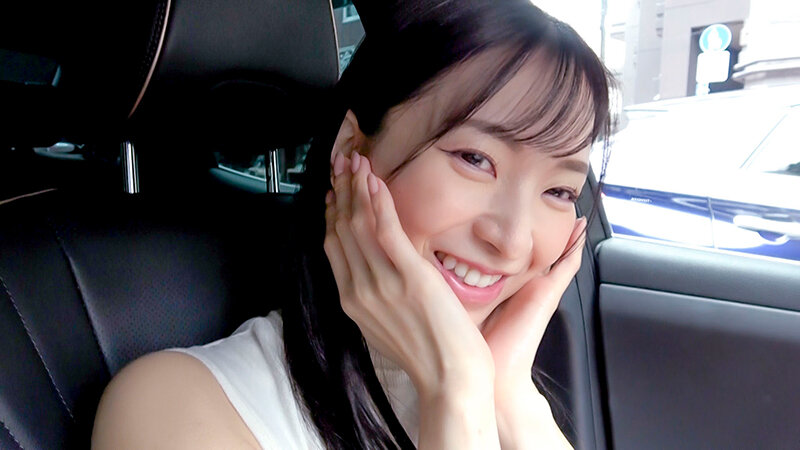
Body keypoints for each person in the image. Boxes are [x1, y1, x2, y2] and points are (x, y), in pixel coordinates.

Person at [92, 0, 613, 448]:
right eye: (475, 159)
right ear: (351, 147)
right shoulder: (172, 407)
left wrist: (509, 398)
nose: (512, 241)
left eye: (559, 191)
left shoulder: (508, 400)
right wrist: (455, 390)